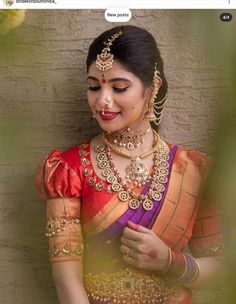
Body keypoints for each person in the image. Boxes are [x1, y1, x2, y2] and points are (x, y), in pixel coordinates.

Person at [35, 25, 224, 304]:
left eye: (119, 87)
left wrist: (170, 263)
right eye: (94, 86)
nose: (103, 100)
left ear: (152, 88)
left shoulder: (195, 170)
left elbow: (220, 270)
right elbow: (66, 279)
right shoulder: (68, 170)